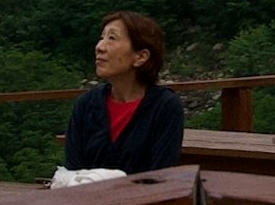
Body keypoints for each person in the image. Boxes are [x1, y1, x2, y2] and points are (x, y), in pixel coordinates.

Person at [61, 10, 184, 178]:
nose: (100, 47)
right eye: (101, 37)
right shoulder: (86, 104)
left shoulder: (164, 106)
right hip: (88, 202)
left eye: (112, 38)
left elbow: (160, 178)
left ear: (140, 57)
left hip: (143, 203)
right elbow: (72, 173)